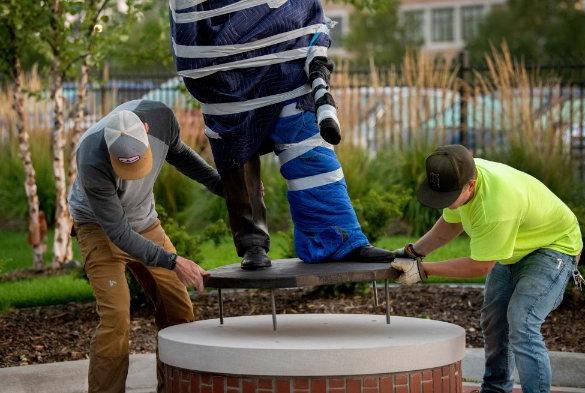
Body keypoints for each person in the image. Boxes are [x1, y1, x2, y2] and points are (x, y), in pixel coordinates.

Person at [169, 0, 393, 269]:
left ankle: (336, 237)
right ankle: (253, 244)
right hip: (227, 80)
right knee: (238, 166)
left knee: (311, 155)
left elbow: (307, 10)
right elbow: (187, 23)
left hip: (286, 68)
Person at [392, 144, 584, 393]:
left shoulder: (495, 206)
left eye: (449, 197)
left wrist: (423, 270)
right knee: (494, 320)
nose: (445, 203)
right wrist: (413, 253)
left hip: (554, 247)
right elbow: (450, 224)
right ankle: (495, 389)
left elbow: (480, 265)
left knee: (522, 320)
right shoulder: (460, 173)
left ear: (470, 185)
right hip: (514, 247)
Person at [68, 99, 223, 393]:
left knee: (178, 307)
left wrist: (220, 185)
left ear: (146, 129)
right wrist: (174, 260)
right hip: (99, 227)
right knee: (115, 318)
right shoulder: (90, 155)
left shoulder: (161, 119)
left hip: (145, 221)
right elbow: (118, 232)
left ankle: (175, 387)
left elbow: (181, 155)